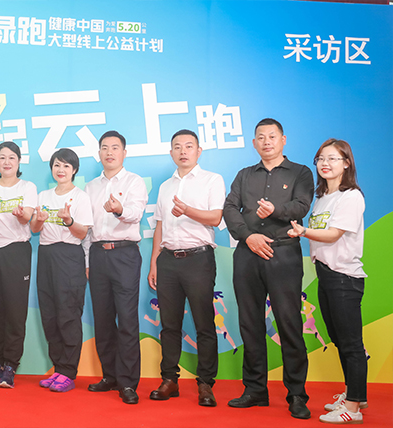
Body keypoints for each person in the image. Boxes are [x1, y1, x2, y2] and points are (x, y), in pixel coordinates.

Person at [223, 118, 313, 419]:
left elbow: (302, 206)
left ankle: (297, 394)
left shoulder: (300, 172)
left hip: (283, 254)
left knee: (289, 323)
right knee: (250, 324)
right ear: (254, 143)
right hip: (247, 253)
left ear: (283, 140)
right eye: (260, 137)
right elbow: (229, 208)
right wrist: (248, 236)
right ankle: (255, 390)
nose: (266, 142)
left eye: (272, 136)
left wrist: (276, 210)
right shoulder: (244, 175)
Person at [287, 138, 367, 424]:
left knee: (351, 344)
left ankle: (353, 408)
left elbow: (333, 235)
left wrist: (303, 231)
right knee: (339, 340)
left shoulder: (351, 197)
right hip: (325, 275)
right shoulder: (321, 198)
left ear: (346, 163)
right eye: (321, 158)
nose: (325, 163)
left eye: (333, 158)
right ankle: (354, 394)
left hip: (344, 277)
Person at [147, 129, 224, 406]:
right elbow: (159, 225)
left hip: (198, 259)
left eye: (189, 146)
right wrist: (155, 262)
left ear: (198, 151)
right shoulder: (165, 187)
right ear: (171, 153)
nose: (183, 151)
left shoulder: (212, 180)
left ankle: (205, 384)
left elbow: (216, 218)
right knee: (169, 325)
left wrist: (187, 210)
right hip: (168, 260)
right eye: (177, 147)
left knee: (204, 323)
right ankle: (169, 380)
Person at [85, 130, 148, 405]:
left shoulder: (134, 182)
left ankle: (128, 382)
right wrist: (87, 261)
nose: (109, 152)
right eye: (104, 148)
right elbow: (87, 230)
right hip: (98, 255)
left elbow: (135, 213)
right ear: (99, 153)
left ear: (124, 152)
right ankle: (109, 376)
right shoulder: (90, 187)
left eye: (114, 147)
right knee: (103, 319)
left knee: (127, 319)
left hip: (124, 254)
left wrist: (119, 209)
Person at [30, 148, 93, 393]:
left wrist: (68, 220)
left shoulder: (81, 197)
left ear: (74, 170)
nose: (61, 170)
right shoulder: (43, 195)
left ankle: (68, 371)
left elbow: (82, 232)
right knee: (50, 314)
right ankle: (58, 368)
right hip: (46, 255)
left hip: (69, 256)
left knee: (68, 314)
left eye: (66, 166)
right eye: (57, 165)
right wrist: (39, 219)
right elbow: (35, 229)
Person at [0, 141, 37, 389]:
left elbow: (28, 217)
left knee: (15, 311)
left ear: (19, 161)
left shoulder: (27, 187)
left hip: (16, 251)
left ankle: (11, 365)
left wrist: (21, 214)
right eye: (2, 157)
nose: (7, 162)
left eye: (12, 157)